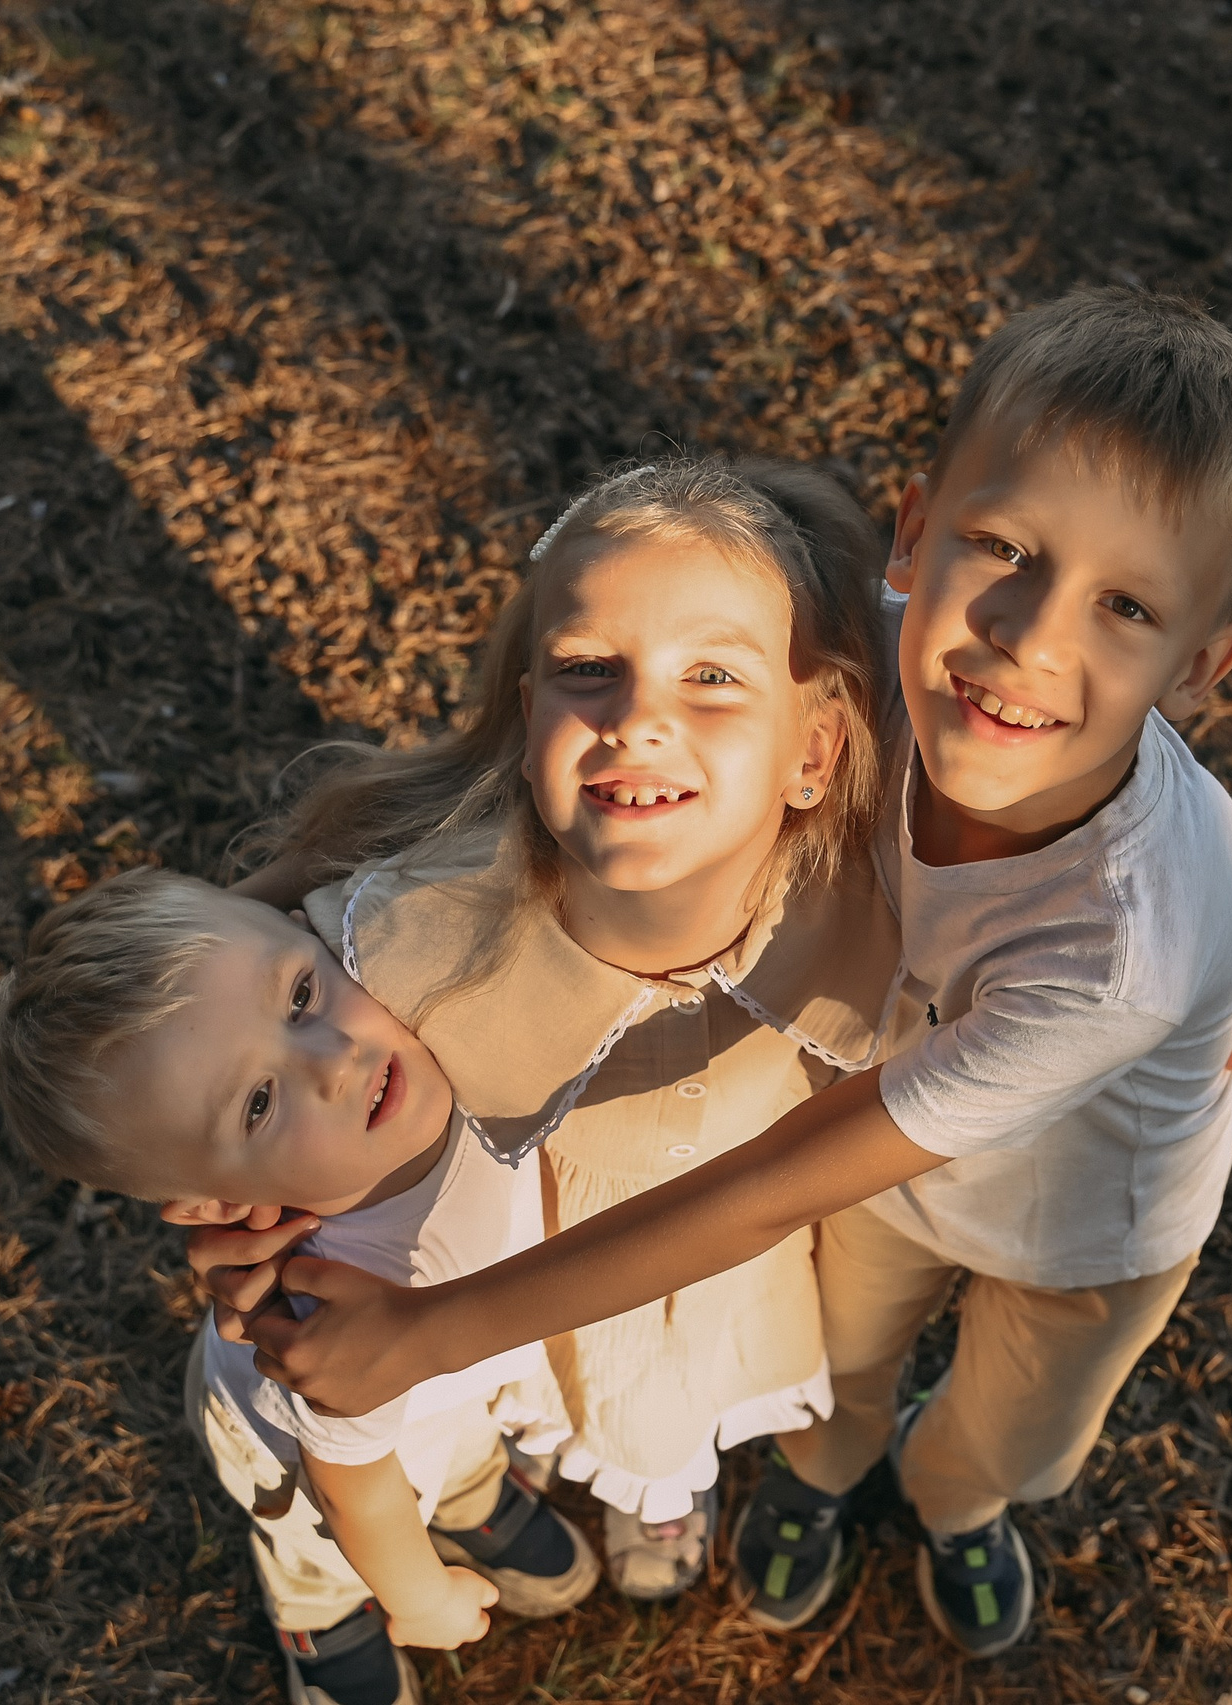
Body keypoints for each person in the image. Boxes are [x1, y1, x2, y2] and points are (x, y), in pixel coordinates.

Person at [192, 286, 1232, 1657]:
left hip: (1088, 1221)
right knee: (837, 1376)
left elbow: (771, 1182)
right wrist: (227, 1052)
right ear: (912, 530)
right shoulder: (883, 656)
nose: (1029, 633)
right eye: (1002, 546)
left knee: (1002, 1431)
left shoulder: (1126, 944)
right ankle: (820, 1485)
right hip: (888, 1156)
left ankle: (954, 1509)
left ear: (1202, 670)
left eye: (1125, 605)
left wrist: (424, 1333)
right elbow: (641, 631)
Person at [231, 454, 902, 1600]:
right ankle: (527, 1476)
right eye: (590, 669)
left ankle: (665, 1488)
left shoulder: (868, 903)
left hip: (743, 1261)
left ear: (814, 752)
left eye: (712, 678)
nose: (638, 718)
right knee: (565, 1390)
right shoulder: (421, 925)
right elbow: (228, 986)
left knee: (673, 1402)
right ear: (529, 711)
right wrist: (213, 1174)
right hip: (515, 1272)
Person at [0, 870, 599, 1705]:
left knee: (456, 1441)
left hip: (446, 1397)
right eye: (260, 1102)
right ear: (218, 1204)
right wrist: (420, 1598)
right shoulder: (336, 1309)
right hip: (312, 1460)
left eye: (302, 993)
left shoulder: (446, 1031)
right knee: (316, 1541)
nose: (336, 1061)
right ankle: (320, 1614)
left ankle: (471, 1495)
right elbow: (358, 1494)